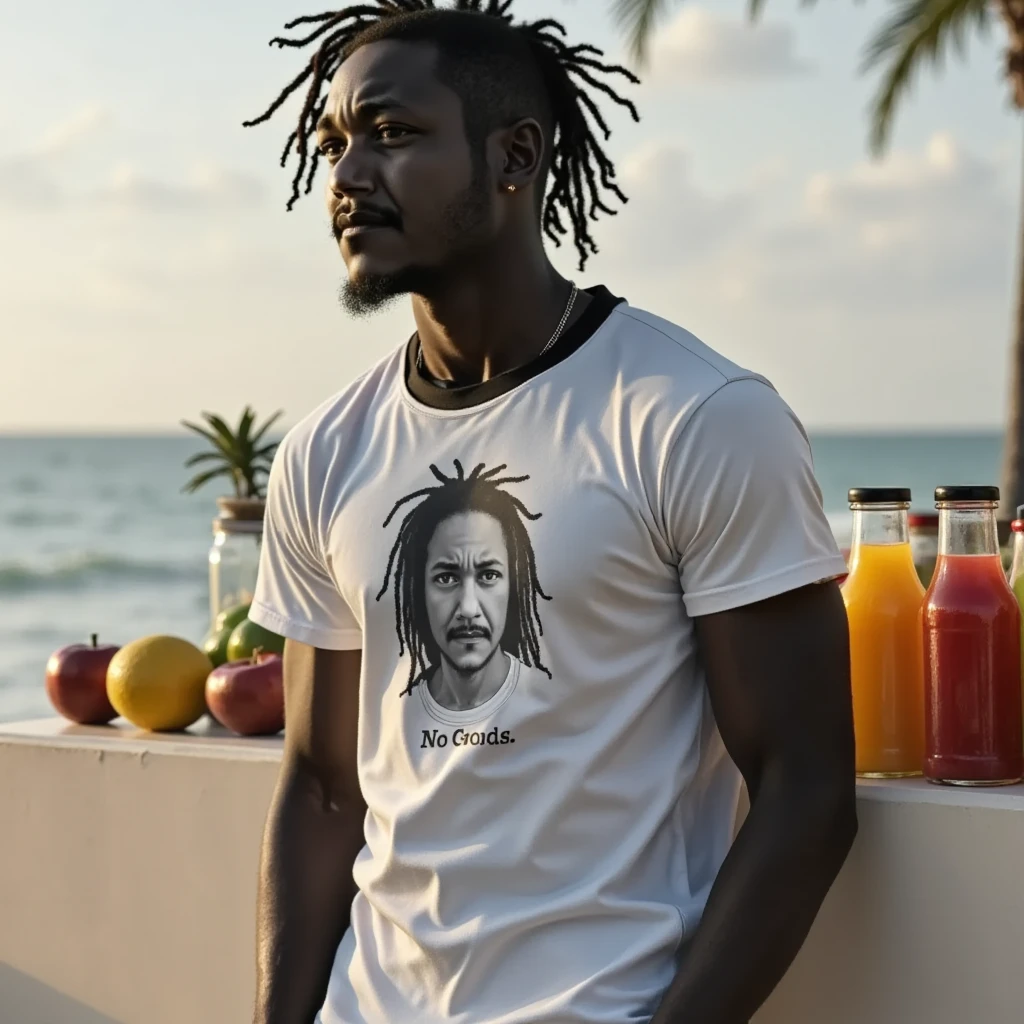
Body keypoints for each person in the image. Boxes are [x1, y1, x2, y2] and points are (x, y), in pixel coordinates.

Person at [244, 3, 857, 1024]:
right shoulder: (326, 452)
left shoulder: (695, 416)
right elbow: (319, 789)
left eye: (392, 135)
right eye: (334, 146)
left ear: (514, 156)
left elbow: (806, 791)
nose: (347, 179)